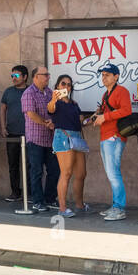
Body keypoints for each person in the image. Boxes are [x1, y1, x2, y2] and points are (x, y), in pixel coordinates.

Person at [92, 62, 133, 221]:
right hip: (105, 136)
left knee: (113, 173)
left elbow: (126, 110)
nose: (104, 77)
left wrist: (105, 117)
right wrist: (98, 116)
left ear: (116, 76)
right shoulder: (105, 94)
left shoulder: (122, 91)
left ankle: (119, 208)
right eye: (102, 75)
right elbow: (107, 112)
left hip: (114, 137)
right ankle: (116, 205)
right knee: (111, 173)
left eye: (107, 75)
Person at [48, 73, 89, 217]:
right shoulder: (55, 102)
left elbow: (80, 122)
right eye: (63, 84)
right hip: (63, 137)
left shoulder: (74, 104)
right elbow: (50, 109)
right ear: (57, 86)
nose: (66, 86)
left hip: (76, 137)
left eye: (69, 84)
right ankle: (63, 208)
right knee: (66, 173)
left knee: (81, 174)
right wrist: (54, 98)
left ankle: (79, 205)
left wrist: (91, 118)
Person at [21, 66, 59, 212]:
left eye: (48, 74)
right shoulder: (28, 93)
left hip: (51, 139)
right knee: (36, 171)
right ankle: (37, 201)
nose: (48, 77)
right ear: (35, 77)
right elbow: (31, 114)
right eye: (45, 75)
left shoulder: (50, 92)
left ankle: (50, 199)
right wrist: (46, 123)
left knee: (54, 170)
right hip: (35, 139)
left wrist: (53, 122)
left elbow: (56, 110)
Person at [0, 65, 29, 201]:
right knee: (13, 165)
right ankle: (15, 193)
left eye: (16, 76)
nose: (13, 79)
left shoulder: (31, 91)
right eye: (12, 76)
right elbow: (3, 109)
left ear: (25, 77)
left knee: (30, 165)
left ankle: (30, 194)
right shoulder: (8, 91)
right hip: (12, 133)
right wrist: (3, 127)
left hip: (29, 134)